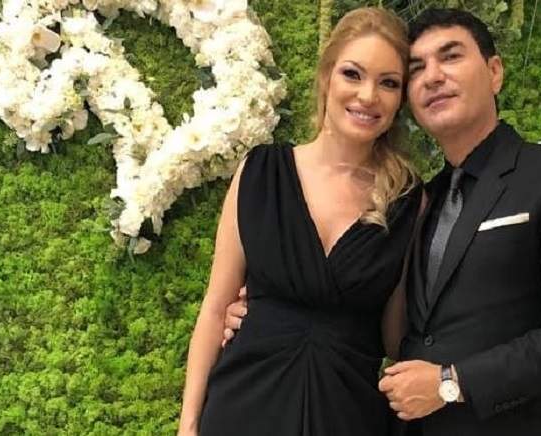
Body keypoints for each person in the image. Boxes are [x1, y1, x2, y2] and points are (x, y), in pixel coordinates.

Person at [224, 8, 541, 436]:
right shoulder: (414, 201)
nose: (433, 76)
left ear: (494, 72)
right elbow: (383, 318)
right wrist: (273, 312)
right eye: (416, 69)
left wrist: (453, 383)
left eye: (451, 56)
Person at [177, 7, 422, 436]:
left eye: (388, 83)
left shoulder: (408, 200)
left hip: (347, 415)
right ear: (326, 77)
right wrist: (189, 424)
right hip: (242, 408)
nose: (368, 95)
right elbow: (216, 308)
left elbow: (395, 336)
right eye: (352, 74)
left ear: (401, 99)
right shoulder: (260, 172)